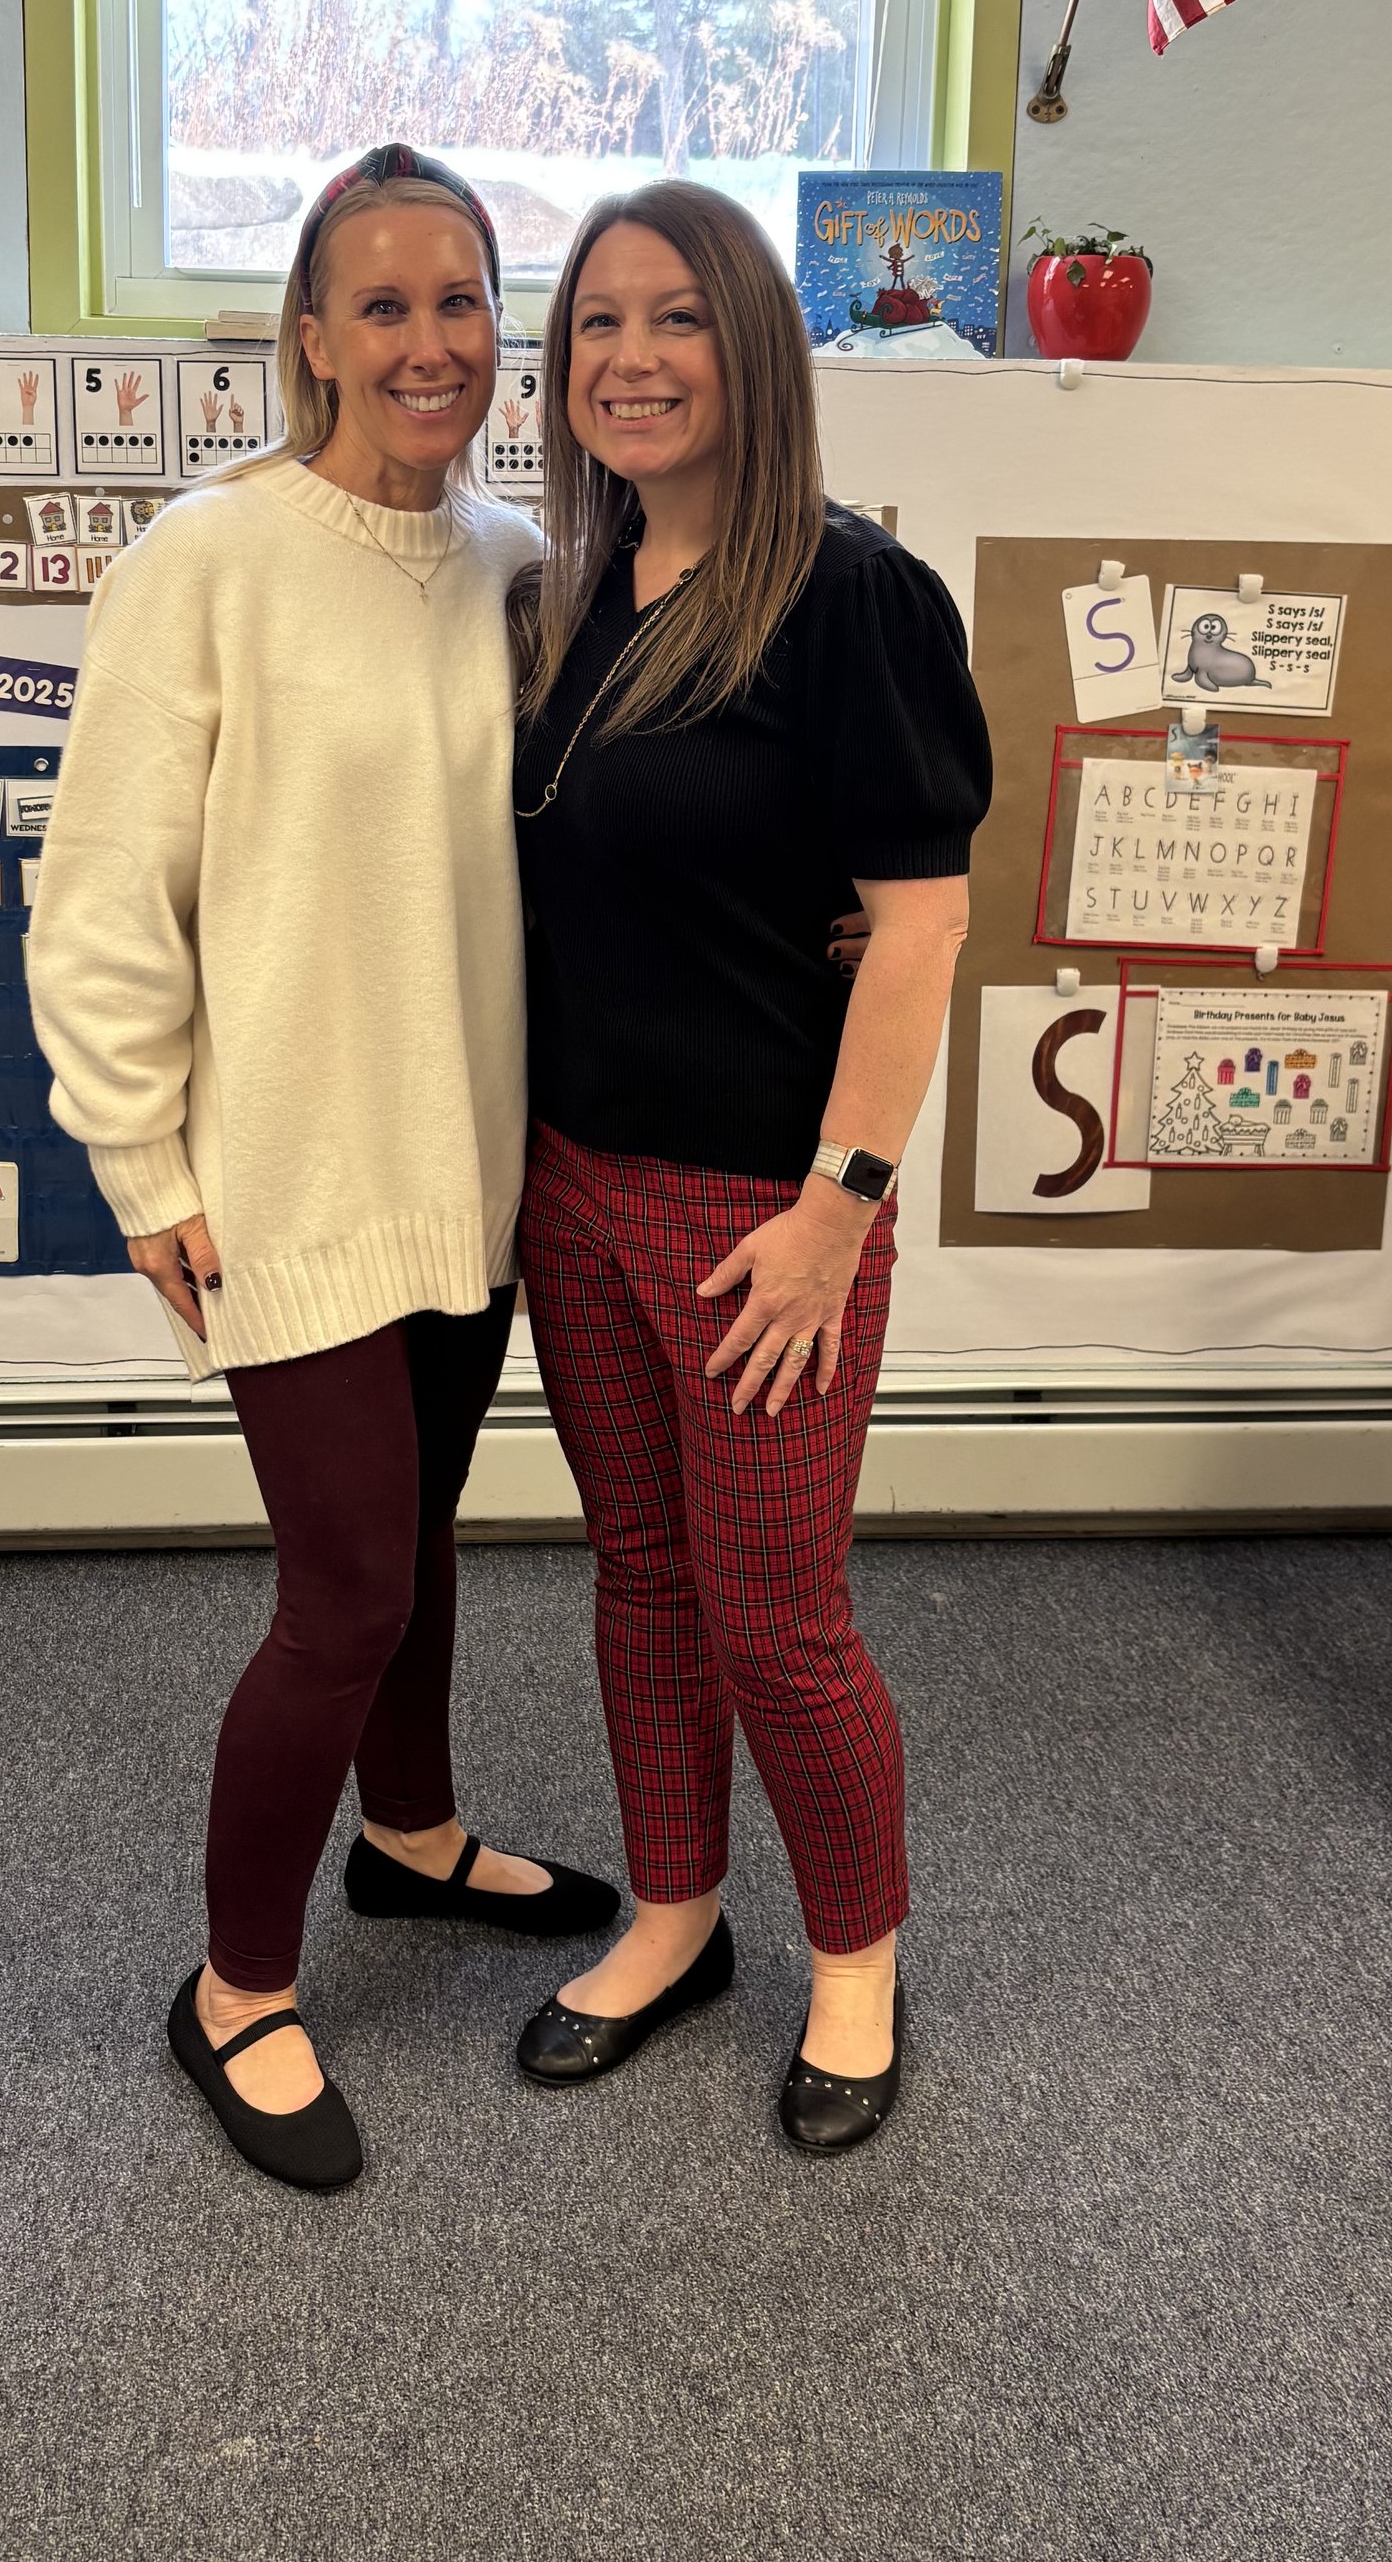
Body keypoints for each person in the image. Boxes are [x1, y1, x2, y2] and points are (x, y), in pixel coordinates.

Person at [27, 144, 616, 2196]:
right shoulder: (207, 557)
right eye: (381, 305)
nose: (429, 341)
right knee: (344, 1584)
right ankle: (235, 1985)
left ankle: (416, 1832)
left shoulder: (520, 561)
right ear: (305, 334)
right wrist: (139, 1155)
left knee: (426, 1529)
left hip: (465, 1152)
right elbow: (102, 891)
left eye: (460, 300)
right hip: (280, 1163)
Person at [507, 181, 990, 2158]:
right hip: (572, 1183)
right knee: (637, 1576)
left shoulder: (849, 592)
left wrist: (831, 1213)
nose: (628, 353)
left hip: (759, 1215)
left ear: (752, 352)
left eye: (675, 316)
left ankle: (853, 1958)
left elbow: (922, 924)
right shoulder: (567, 589)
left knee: (773, 1613)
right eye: (596, 319)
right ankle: (675, 1906)